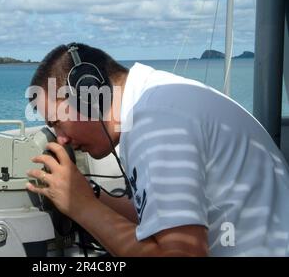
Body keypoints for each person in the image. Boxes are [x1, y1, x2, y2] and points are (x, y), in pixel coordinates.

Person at [25, 43, 289, 256]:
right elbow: (156, 216)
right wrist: (88, 193)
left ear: (88, 93)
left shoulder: (154, 121)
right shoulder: (155, 102)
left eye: (58, 123)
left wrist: (81, 207)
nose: (61, 140)